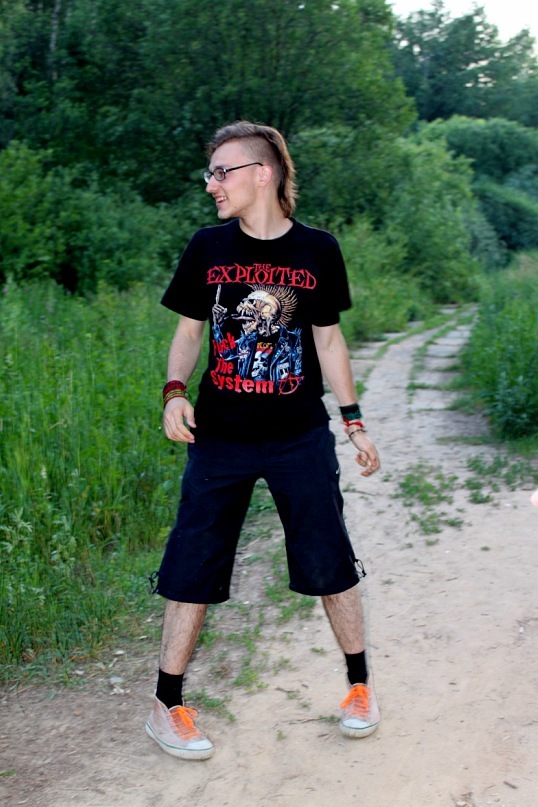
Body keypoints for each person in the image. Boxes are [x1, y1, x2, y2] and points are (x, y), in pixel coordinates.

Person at [145, 121, 381, 761]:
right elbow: (189, 331)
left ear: (262, 173)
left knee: (329, 558)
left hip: (298, 435)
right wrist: (174, 392)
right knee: (192, 562)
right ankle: (167, 705)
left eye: (222, 172)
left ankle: (360, 689)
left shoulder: (318, 250)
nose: (211, 184)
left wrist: (354, 421)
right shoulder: (207, 246)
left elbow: (328, 340)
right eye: (211, 173)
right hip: (219, 437)